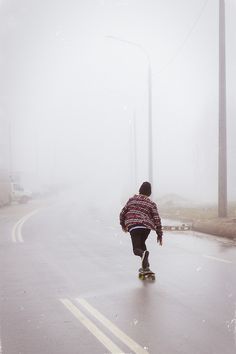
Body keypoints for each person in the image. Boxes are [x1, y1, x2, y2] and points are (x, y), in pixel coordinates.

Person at [119, 181, 163, 270]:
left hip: (134, 226)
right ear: (149, 192)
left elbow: (122, 213)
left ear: (140, 190)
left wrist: (123, 225)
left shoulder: (132, 200)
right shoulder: (151, 203)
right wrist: (159, 233)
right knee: (142, 245)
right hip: (146, 228)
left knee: (136, 249)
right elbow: (156, 218)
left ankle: (143, 255)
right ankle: (145, 266)